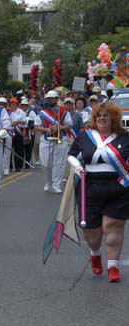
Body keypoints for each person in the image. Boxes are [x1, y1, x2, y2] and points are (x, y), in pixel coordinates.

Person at [67, 103, 129, 282]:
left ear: (113, 119)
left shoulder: (124, 137)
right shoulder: (85, 136)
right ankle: (95, 254)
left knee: (113, 226)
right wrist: (77, 166)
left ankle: (113, 266)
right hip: (90, 187)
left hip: (119, 188)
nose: (102, 118)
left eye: (106, 115)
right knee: (91, 231)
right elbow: (72, 154)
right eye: (99, 116)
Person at [34, 90, 73, 194]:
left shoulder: (64, 111)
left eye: (52, 98)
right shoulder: (42, 113)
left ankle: (56, 184)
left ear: (56, 99)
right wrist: (46, 129)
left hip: (60, 139)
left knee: (59, 163)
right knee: (45, 163)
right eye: (48, 98)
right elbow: (36, 126)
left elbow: (69, 125)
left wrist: (59, 127)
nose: (50, 100)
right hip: (46, 139)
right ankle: (48, 181)